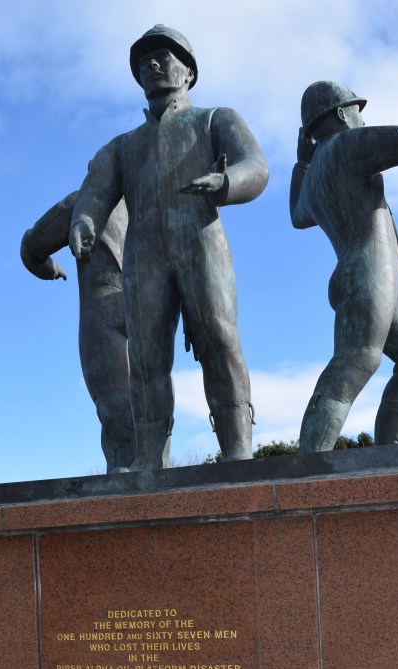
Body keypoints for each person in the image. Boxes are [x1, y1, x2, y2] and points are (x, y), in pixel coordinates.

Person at [69, 25, 268, 470]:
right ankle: (149, 458)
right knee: (145, 357)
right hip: (144, 256)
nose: (153, 65)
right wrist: (84, 221)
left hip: (201, 241)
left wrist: (227, 181)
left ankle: (238, 448)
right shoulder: (123, 146)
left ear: (189, 72)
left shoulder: (215, 120)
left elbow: (256, 165)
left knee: (219, 338)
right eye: (144, 61)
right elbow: (96, 193)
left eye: (164, 56)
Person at [290, 81, 398, 452]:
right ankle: (308, 463)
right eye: (357, 111)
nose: (361, 119)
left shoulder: (313, 177)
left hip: (359, 276)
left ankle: (389, 454)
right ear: (343, 114)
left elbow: (296, 215)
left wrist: (301, 162)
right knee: (357, 360)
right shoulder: (347, 145)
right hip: (370, 274)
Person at [21, 194, 135, 472]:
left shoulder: (86, 199)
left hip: (105, 308)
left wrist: (48, 269)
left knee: (122, 419)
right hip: (141, 308)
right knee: (140, 416)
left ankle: (133, 498)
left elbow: (32, 246)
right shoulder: (147, 201)